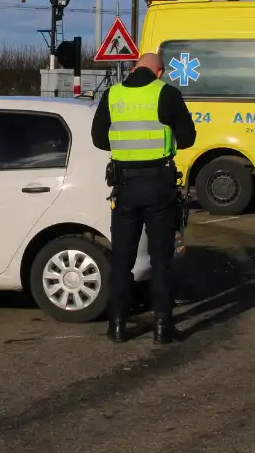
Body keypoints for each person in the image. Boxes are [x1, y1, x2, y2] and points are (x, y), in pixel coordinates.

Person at [91, 52, 196, 345]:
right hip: (159, 185)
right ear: (159, 72)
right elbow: (188, 139)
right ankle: (163, 327)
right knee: (161, 259)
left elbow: (99, 139)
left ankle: (118, 325)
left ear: (135, 67)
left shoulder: (113, 95)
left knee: (122, 259)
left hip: (124, 186)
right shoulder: (167, 93)